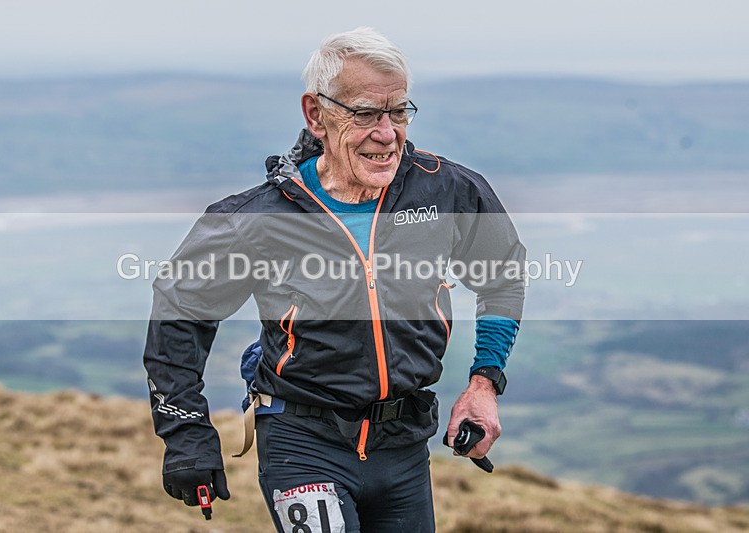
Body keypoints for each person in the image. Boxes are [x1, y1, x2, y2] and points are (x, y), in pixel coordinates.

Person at [143, 27, 525, 532]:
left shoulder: (446, 189)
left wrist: (484, 383)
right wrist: (187, 433)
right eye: (366, 113)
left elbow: (502, 274)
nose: (386, 133)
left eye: (399, 111)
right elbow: (180, 312)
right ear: (315, 114)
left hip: (404, 443)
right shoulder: (257, 217)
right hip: (301, 441)